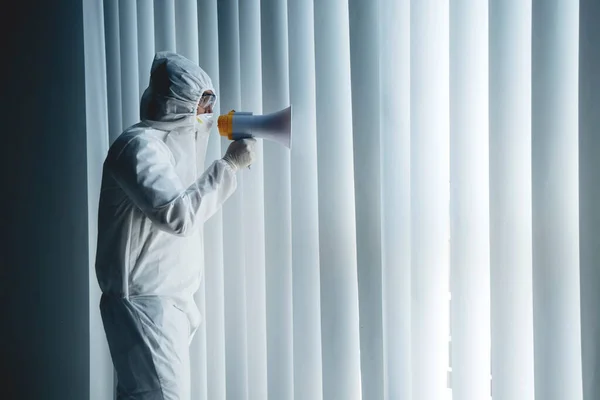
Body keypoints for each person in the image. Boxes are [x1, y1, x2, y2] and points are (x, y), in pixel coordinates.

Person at [95, 51, 255, 400]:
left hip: (165, 303)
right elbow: (177, 215)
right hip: (144, 303)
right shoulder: (139, 148)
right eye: (201, 104)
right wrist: (228, 167)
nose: (207, 115)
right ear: (175, 104)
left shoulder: (164, 150)